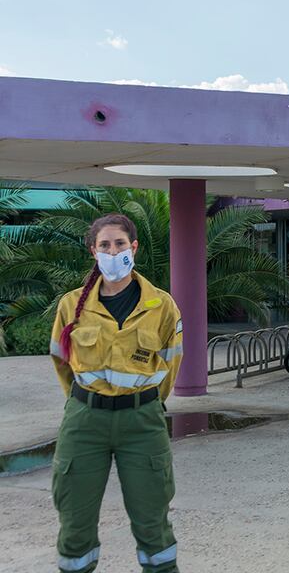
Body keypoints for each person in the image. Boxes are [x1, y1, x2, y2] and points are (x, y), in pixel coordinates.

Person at [48, 214, 183, 573]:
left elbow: (171, 366)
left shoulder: (161, 306)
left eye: (119, 244)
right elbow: (62, 362)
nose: (113, 251)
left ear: (133, 247)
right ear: (93, 251)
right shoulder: (70, 305)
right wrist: (84, 402)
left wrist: (144, 401)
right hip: (85, 421)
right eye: (104, 245)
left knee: (153, 523)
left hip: (142, 422)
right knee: (75, 523)